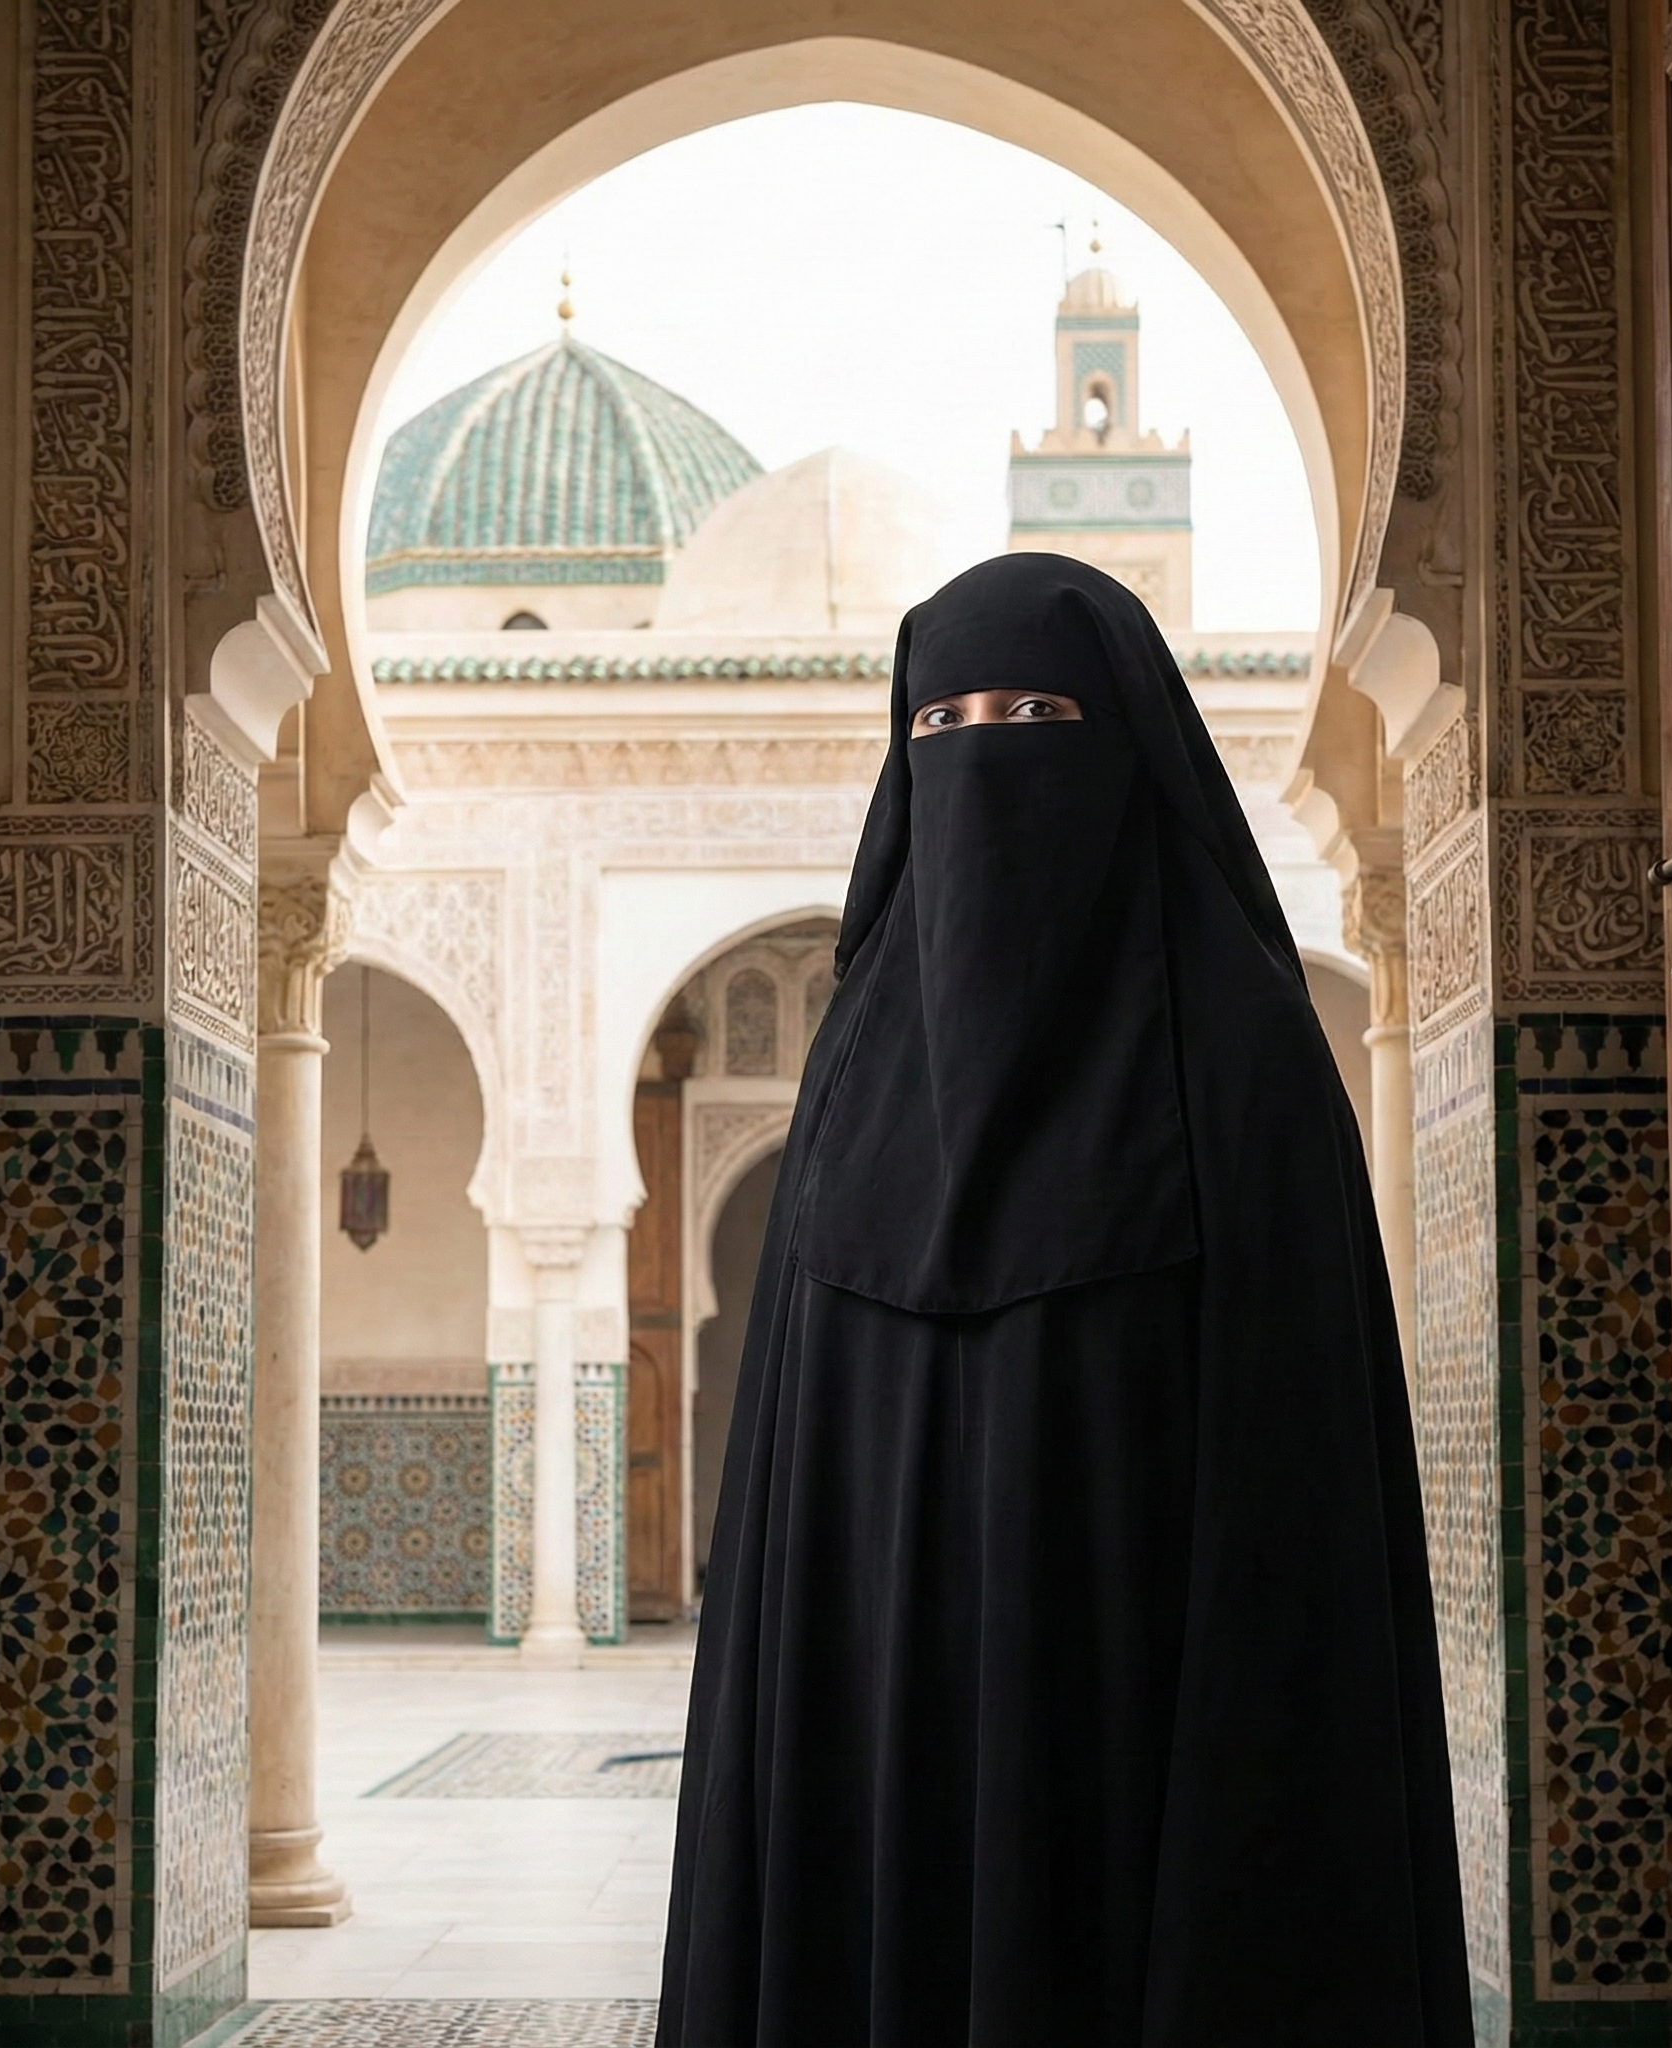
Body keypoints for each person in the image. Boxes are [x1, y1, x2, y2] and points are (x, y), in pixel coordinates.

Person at [656, 552, 1475, 2046]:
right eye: (944, 727)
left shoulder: (1248, 1068)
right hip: (880, 1752)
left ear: (1131, 744)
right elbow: (792, 1522)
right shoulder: (852, 1078)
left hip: (1151, 1749)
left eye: (1036, 713)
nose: (991, 759)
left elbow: (1303, 1543)